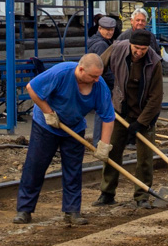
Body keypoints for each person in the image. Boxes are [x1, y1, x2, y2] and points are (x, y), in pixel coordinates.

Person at [15, 54, 114, 226]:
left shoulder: (99, 86)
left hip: (74, 128)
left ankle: (72, 211)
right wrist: (48, 112)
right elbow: (32, 88)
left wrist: (104, 145)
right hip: (46, 125)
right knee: (35, 166)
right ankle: (24, 210)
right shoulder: (61, 73)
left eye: (99, 76)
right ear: (81, 69)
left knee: (73, 170)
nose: (97, 80)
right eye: (93, 76)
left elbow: (108, 117)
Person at [95, 30, 164, 209]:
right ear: (130, 44)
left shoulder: (154, 62)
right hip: (119, 111)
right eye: (136, 48)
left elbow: (156, 98)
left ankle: (142, 196)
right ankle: (107, 193)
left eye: (143, 49)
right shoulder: (117, 49)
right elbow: (97, 66)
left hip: (144, 115)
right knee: (112, 152)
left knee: (145, 158)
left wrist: (141, 123)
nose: (139, 52)